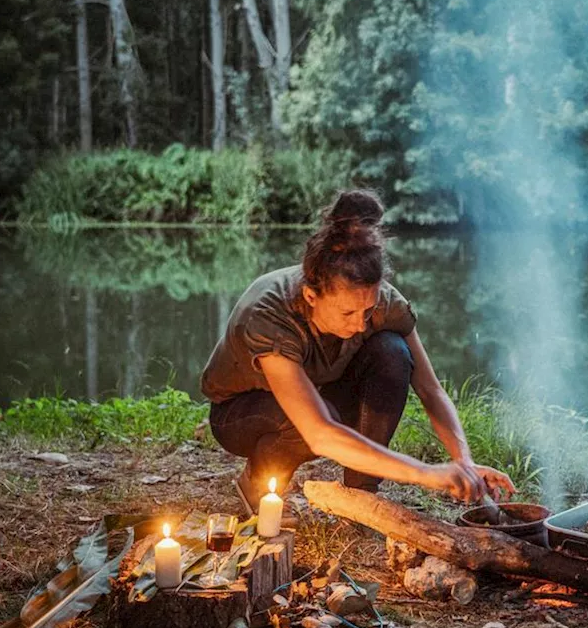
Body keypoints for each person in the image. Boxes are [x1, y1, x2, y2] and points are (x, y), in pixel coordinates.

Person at [201, 189, 514, 516]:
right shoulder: (269, 316)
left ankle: (360, 494)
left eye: (368, 310)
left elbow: (430, 389)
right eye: (348, 313)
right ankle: (258, 482)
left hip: (319, 396)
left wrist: (464, 462)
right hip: (239, 412)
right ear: (311, 296)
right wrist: (425, 473)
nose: (361, 323)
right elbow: (320, 433)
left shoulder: (381, 302)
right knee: (319, 421)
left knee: (392, 351)